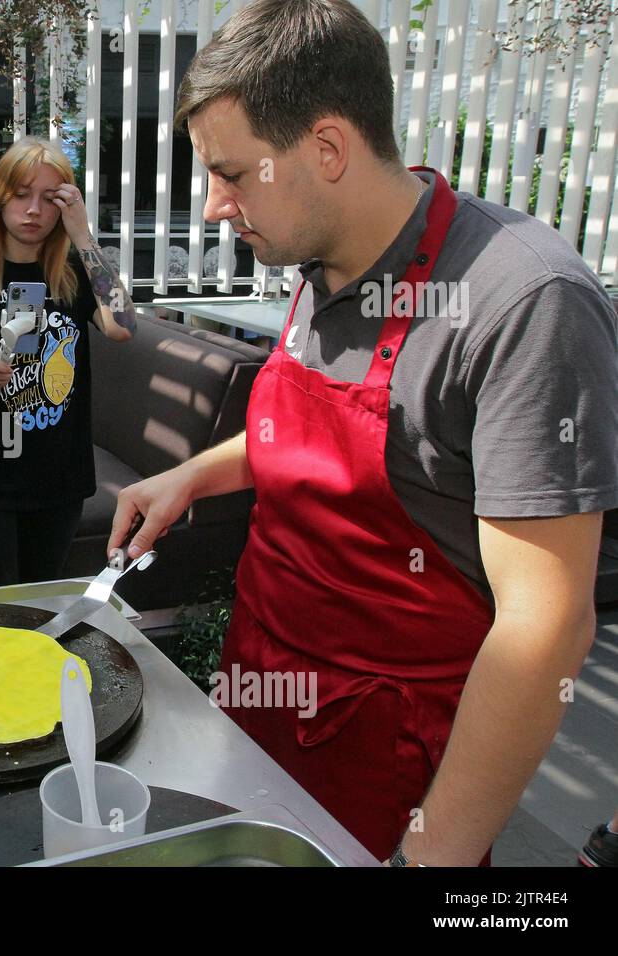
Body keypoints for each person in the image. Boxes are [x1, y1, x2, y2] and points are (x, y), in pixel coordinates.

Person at [110, 0, 618, 866]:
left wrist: (429, 858)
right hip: (258, 693)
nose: (211, 208)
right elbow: (315, 441)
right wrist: (192, 475)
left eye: (231, 174)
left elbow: (546, 627)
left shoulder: (524, 304)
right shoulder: (320, 256)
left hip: (382, 766)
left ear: (328, 148)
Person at [0, 137, 135, 589]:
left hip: (58, 483)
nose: (33, 211)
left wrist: (83, 235)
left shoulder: (74, 276)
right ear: (0, 199)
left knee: (43, 609)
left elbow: (122, 325)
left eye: (49, 199)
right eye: (21, 194)